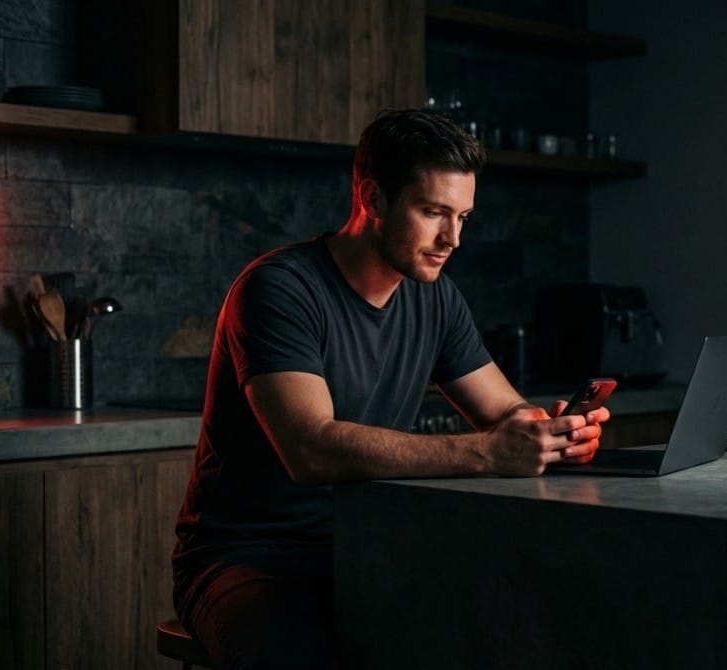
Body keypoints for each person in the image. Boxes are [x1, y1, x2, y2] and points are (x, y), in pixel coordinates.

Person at [171, 109, 611, 669]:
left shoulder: (436, 296)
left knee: (514, 624)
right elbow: (311, 448)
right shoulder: (279, 289)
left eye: (463, 217)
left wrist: (549, 432)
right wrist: (489, 452)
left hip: (369, 547)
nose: (452, 238)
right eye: (433, 213)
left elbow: (505, 413)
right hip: (247, 560)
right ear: (373, 199)